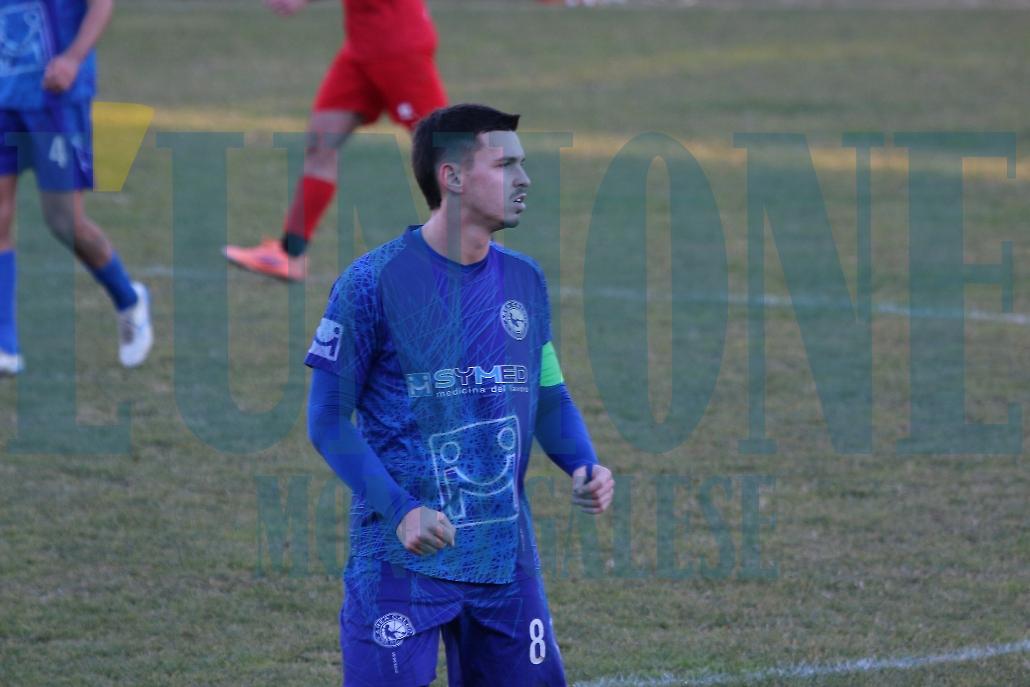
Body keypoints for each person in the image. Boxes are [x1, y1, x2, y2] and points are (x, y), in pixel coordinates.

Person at [305, 104, 615, 686]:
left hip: (504, 560)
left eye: (522, 164)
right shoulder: (373, 283)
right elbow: (327, 419)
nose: (525, 180)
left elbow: (548, 394)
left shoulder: (524, 280)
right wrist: (401, 509)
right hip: (401, 559)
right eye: (505, 166)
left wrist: (582, 462)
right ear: (451, 177)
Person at [223, 0, 447, 281]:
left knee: (443, 152)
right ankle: (290, 254)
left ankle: (473, 259)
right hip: (363, 46)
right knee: (321, 144)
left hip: (396, 45)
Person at [0, 0, 152, 375]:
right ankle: (5, 344)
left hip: (56, 100)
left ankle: (128, 298)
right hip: (4, 96)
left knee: (65, 223)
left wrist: (72, 58)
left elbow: (101, 4)